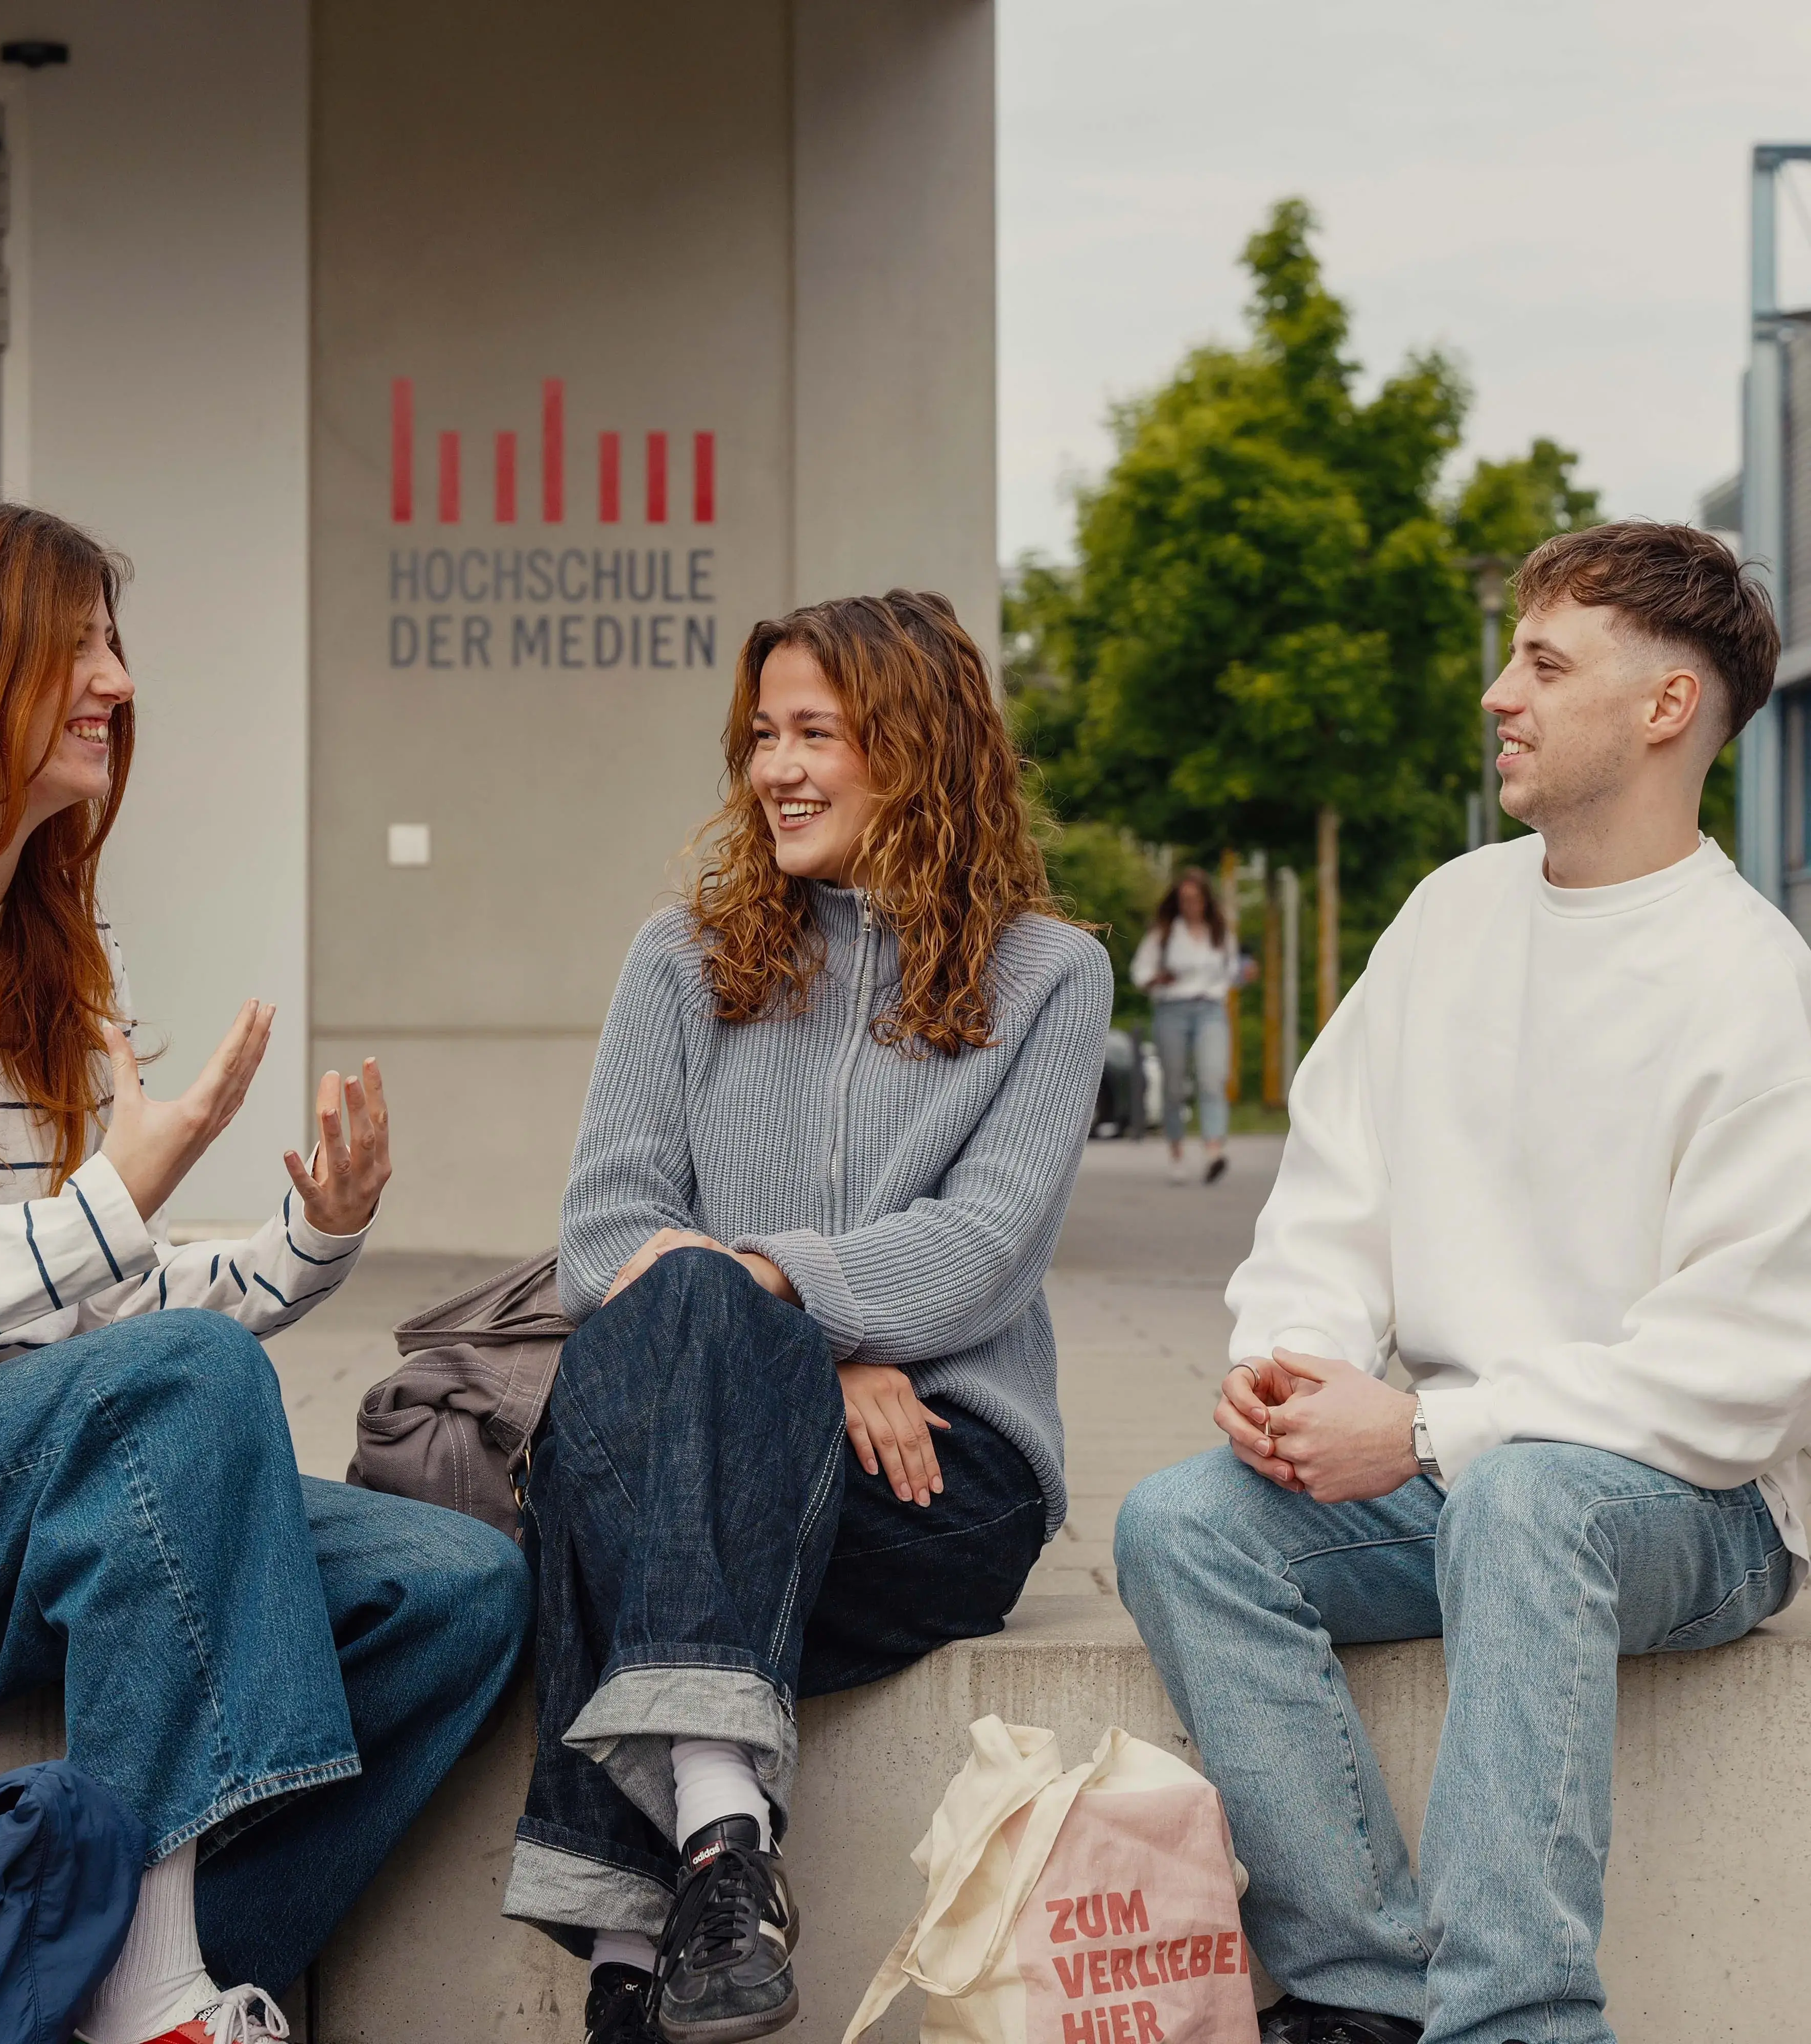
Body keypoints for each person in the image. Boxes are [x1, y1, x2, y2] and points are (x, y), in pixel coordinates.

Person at [0, 500, 530, 2044]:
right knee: (176, 1385)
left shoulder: (42, 957)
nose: (115, 681)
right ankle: (145, 1997)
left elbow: (88, 1318)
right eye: (73, 647)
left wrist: (301, 1242)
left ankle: (105, 1984)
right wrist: (118, 1193)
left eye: (113, 645)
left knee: (456, 1585)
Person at [1113, 521, 1805, 2044]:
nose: (1498, 693)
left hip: (1684, 1505)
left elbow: (1729, 1373)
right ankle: (1359, 1989)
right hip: (1450, 1476)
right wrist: (1292, 1365)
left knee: (1524, 1499)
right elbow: (1332, 1192)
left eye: (1542, 663)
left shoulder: (1757, 992)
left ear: (1662, 708)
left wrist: (1424, 1433)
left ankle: (1516, 2020)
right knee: (1180, 1524)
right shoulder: (1448, 915)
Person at [503, 591, 1113, 2044]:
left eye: (815, 734)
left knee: (629, 1490)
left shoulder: (1050, 978)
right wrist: (800, 1353)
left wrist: (784, 1320)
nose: (775, 767)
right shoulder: (684, 958)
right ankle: (723, 1859)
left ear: (916, 750)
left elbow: (981, 1251)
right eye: (762, 735)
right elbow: (602, 1237)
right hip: (739, 1429)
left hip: (941, 1475)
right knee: (681, 1384)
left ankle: (619, 1957)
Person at [1130, 868, 1252, 1186]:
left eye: (1195, 900)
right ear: (1177, 901)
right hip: (1172, 1009)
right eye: (1184, 900)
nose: (1190, 906)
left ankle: (1214, 1152)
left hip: (1211, 1009)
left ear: (1206, 901)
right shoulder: (1165, 932)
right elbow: (1140, 972)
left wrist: (1244, 974)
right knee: (1174, 1086)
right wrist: (1157, 978)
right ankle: (1177, 1153)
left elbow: (1230, 972)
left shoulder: (1220, 931)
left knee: (1213, 1078)